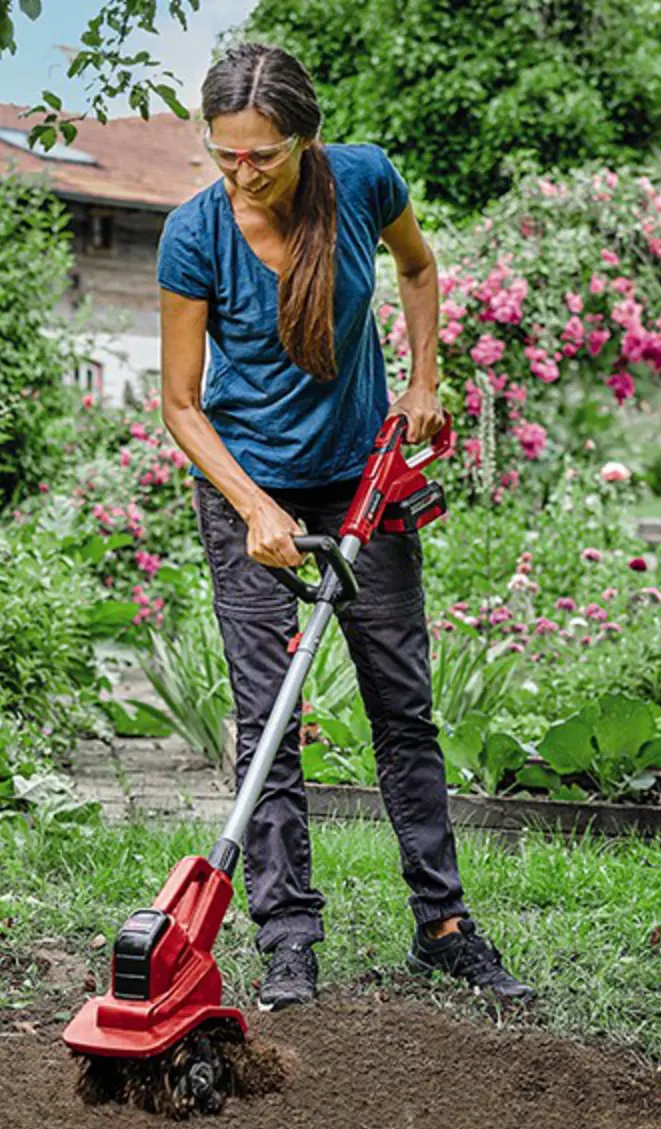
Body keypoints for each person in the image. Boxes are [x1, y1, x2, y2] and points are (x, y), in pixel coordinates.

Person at [156, 41, 533, 1011]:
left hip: (366, 480)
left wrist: (423, 380)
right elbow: (182, 405)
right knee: (267, 719)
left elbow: (417, 267)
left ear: (306, 141)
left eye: (263, 156)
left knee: (400, 703)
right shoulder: (194, 234)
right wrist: (255, 509)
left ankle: (442, 924)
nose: (243, 173)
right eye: (225, 154)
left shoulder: (360, 182)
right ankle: (287, 939)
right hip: (249, 493)